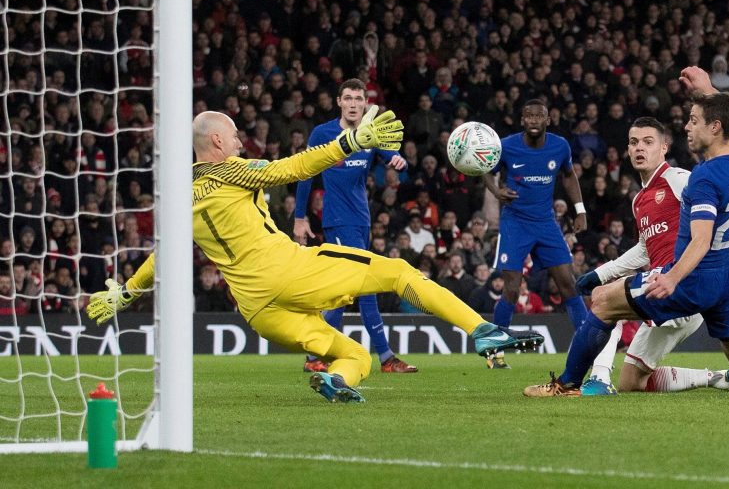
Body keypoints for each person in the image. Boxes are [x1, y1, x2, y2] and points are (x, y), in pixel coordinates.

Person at [86, 109, 543, 403]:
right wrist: (354, 140)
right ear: (219, 144)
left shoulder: (185, 191)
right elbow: (297, 167)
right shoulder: (232, 172)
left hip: (258, 310)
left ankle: (338, 381)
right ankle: (481, 330)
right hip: (288, 272)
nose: (242, 140)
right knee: (398, 270)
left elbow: (162, 255)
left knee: (356, 357)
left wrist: (126, 293)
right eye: (235, 135)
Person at [524, 73, 729, 400]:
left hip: (694, 279)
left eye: (694, 120)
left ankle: (565, 385)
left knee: (603, 302)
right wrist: (711, 92)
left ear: (715, 127)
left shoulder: (703, 179)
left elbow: (700, 240)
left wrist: (672, 279)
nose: (687, 127)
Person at [574, 117, 729, 395]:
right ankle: (718, 378)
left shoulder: (681, 180)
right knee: (632, 383)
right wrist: (601, 273)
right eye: (633, 143)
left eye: (647, 142)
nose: (639, 148)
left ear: (664, 147)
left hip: (680, 286)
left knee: (606, 301)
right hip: (661, 287)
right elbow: (645, 248)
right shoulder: (639, 200)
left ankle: (599, 378)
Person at [293, 79, 417, 374]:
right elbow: (305, 175)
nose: (352, 103)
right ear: (338, 102)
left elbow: (394, 157)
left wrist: (400, 162)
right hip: (337, 221)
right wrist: (300, 217)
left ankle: (316, 355)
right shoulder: (322, 133)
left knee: (349, 289)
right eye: (347, 98)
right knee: (361, 286)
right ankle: (384, 357)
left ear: (365, 103)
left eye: (358, 99)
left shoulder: (370, 133)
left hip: (362, 221)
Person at [482, 98, 588, 369]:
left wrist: (580, 210)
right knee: (512, 288)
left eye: (538, 116)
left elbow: (568, 176)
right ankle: (494, 352)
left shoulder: (559, 146)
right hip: (515, 223)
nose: (533, 120)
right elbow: (484, 169)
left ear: (547, 120)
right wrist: (496, 192)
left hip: (546, 223)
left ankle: (588, 345)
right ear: (522, 120)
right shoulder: (506, 145)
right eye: (528, 116)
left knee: (568, 283)